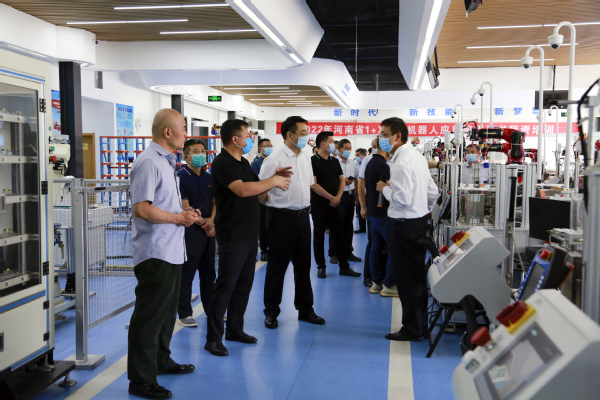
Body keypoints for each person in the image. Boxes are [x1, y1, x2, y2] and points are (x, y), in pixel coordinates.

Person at [128, 109, 198, 400]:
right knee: (150, 316)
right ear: (167, 132)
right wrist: (177, 218)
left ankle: (161, 360)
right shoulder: (148, 162)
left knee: (167, 313)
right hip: (155, 252)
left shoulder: (167, 161)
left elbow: (164, 204)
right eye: (183, 128)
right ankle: (140, 379)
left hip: (171, 249)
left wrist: (184, 214)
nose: (186, 133)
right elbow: (142, 208)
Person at [205, 119, 291, 357]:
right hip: (232, 234)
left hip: (249, 233)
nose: (251, 139)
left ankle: (234, 329)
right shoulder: (222, 162)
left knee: (243, 285)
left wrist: (273, 176)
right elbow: (242, 190)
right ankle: (213, 338)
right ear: (236, 139)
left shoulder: (242, 162)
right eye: (248, 136)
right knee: (225, 286)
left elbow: (256, 186)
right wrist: (273, 181)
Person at [376, 117, 438, 341]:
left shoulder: (401, 163)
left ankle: (411, 329)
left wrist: (385, 189)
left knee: (405, 279)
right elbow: (433, 192)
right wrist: (423, 209)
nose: (381, 139)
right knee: (417, 277)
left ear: (397, 136)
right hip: (418, 223)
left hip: (403, 226)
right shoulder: (418, 157)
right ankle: (420, 325)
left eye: (384, 135)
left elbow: (402, 199)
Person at [260, 116, 325, 329]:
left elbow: (309, 184)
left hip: (303, 217)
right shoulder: (274, 160)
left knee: (303, 266)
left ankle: (305, 309)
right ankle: (271, 312)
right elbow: (261, 192)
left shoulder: (305, 156)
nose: (307, 136)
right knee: (277, 267)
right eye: (303, 133)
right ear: (290, 134)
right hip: (281, 217)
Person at [176, 139, 216, 328]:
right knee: (187, 272)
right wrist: (203, 223)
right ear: (186, 156)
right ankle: (184, 313)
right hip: (190, 230)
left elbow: (215, 202)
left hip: (209, 229)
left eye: (203, 151)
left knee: (209, 272)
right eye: (196, 151)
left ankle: (211, 310)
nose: (201, 154)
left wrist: (212, 221)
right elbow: (185, 206)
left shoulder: (208, 177)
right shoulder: (180, 177)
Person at [310, 131, 361, 279]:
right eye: (331, 142)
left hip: (335, 203)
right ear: (323, 144)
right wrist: (330, 197)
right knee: (319, 236)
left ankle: (344, 266)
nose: (334, 144)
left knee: (339, 234)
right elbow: (313, 184)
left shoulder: (334, 161)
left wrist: (337, 197)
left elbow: (341, 180)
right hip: (319, 204)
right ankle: (321, 266)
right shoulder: (312, 161)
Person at [364, 138, 397, 297]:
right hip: (383, 213)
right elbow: (385, 189)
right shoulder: (383, 165)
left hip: (372, 213)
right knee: (395, 247)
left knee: (376, 247)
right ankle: (389, 284)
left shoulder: (370, 162)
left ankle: (376, 283)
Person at [328, 139, 361, 263]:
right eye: (346, 148)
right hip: (339, 196)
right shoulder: (334, 162)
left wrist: (356, 194)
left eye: (349, 148)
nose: (348, 150)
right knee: (336, 225)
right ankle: (333, 253)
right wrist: (342, 181)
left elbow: (356, 179)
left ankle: (348, 251)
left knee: (348, 225)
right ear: (339, 149)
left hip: (350, 195)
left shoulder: (352, 163)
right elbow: (330, 180)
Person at [357, 138, 377, 286]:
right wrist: (363, 206)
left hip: (391, 205)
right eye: (374, 146)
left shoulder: (394, 158)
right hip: (373, 203)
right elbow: (361, 183)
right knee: (373, 240)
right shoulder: (368, 160)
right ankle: (368, 276)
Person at [252, 138, 273, 262]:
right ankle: (264, 251)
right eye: (266, 146)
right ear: (260, 149)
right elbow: (257, 182)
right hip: (261, 199)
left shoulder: (274, 161)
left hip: (275, 199)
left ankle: (274, 249)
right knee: (263, 226)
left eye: (270, 146)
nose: (269, 148)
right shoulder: (256, 164)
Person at [354, 148, 367, 233]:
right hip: (359, 191)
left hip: (367, 191)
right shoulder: (355, 165)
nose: (357, 157)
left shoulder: (368, 164)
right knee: (359, 210)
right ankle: (362, 227)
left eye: (358, 155)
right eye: (356, 155)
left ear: (363, 156)